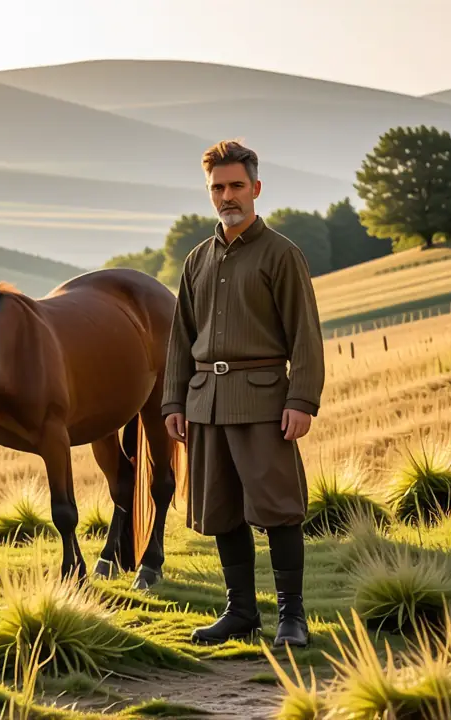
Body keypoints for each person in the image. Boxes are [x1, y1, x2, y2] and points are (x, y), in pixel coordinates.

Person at [161, 139, 325, 648]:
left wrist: (301, 400)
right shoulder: (196, 260)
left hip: (264, 402)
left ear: (256, 188)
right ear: (208, 192)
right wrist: (172, 402)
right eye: (217, 187)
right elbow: (181, 338)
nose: (227, 196)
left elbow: (305, 333)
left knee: (278, 509)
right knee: (222, 509)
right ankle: (241, 613)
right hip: (205, 400)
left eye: (235, 186)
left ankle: (291, 618)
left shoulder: (281, 254)